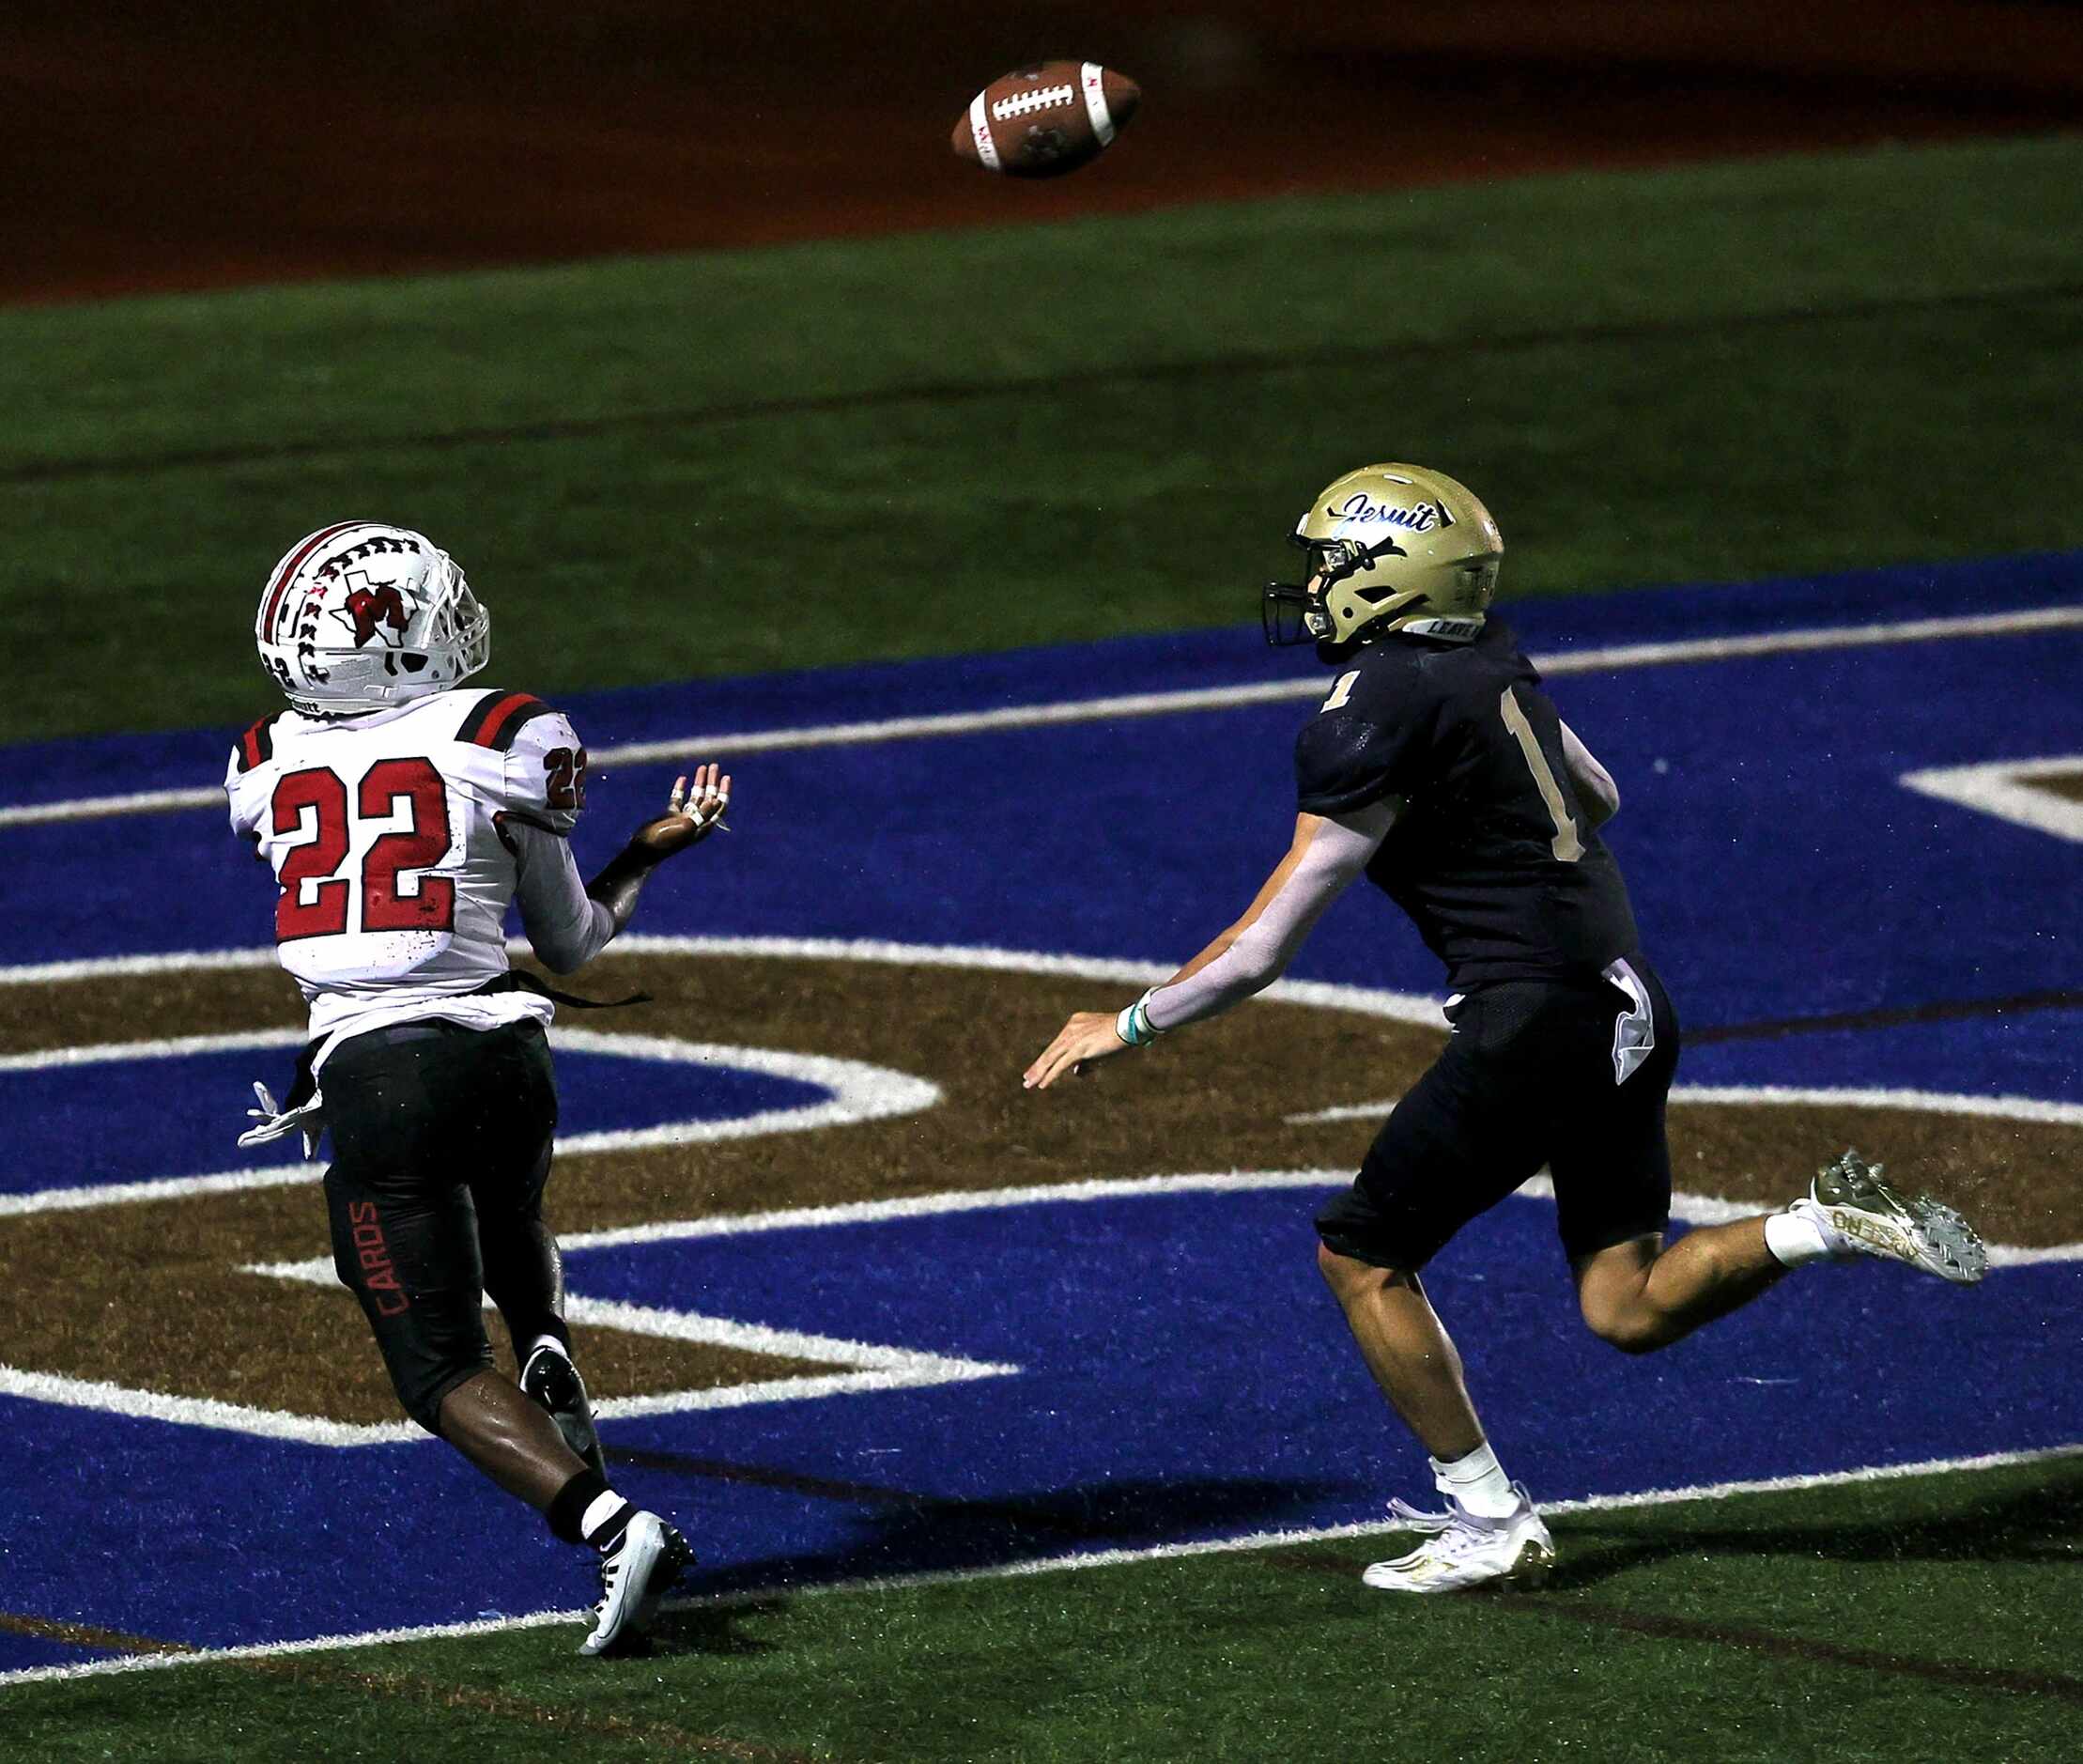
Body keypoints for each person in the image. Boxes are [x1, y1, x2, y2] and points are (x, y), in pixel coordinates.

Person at [1024, 464, 1985, 1592]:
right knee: (1620, 1307)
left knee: (1361, 1257)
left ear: (1390, 575)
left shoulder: (1369, 713)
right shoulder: (1487, 659)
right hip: (1630, 1001)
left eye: (1334, 560)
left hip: (1536, 1020)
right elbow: (1600, 793)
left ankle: (1489, 1521)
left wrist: (1128, 1023)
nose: (1318, 581)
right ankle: (1818, 1222)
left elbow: (1258, 951)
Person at [226, 519, 732, 1653]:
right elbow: (567, 942)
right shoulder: (502, 733)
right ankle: (545, 1328)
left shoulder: (261, 761)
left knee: (441, 1367)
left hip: (377, 1073)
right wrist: (648, 851)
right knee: (507, 1208)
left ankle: (610, 1525)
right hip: (508, 1053)